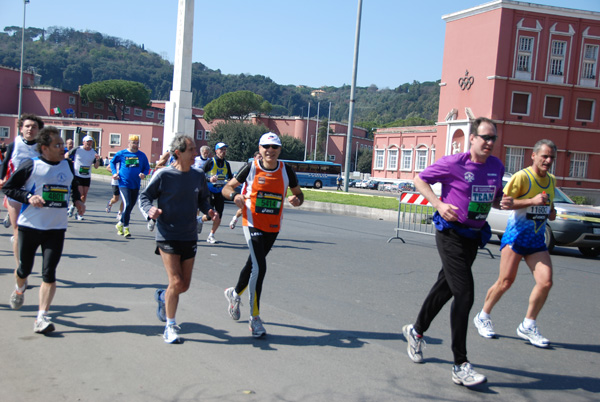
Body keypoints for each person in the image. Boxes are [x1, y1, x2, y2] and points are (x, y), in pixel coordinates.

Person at [402, 117, 512, 387]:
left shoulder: (497, 166)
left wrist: (503, 201)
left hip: (473, 236)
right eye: (484, 137)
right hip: (450, 233)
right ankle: (460, 364)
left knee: (446, 288)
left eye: (493, 138)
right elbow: (420, 179)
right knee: (464, 294)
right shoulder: (454, 163)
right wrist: (439, 204)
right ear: (471, 138)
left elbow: (494, 196)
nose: (489, 143)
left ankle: (415, 331)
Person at [473, 139, 557, 348]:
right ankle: (483, 316)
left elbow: (550, 209)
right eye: (544, 156)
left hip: (536, 240)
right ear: (534, 155)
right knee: (505, 281)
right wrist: (532, 201)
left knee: (546, 282)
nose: (548, 161)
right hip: (516, 237)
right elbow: (505, 203)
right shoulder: (522, 177)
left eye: (551, 158)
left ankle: (528, 325)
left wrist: (550, 210)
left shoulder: (552, 180)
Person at [3, 126, 85, 334]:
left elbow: (72, 183)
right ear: (44, 148)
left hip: (56, 228)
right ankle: (20, 288)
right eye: (57, 145)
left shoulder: (67, 165)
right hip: (30, 226)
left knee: (49, 273)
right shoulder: (32, 165)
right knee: (24, 269)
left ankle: (41, 318)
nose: (62, 148)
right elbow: (8, 187)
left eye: (62, 144)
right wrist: (28, 197)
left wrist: (77, 200)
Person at [221, 132, 304, 337]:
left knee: (252, 265)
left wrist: (297, 200)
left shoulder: (287, 171)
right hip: (252, 222)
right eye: (266, 146)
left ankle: (234, 293)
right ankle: (255, 318)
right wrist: (235, 195)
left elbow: (299, 193)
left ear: (279, 150)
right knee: (260, 267)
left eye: (274, 147)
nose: (270, 150)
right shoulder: (251, 168)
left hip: (273, 226)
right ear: (260, 149)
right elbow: (227, 187)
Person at [139, 134, 216, 343]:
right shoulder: (164, 175)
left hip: (189, 235)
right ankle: (170, 326)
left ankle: (163, 297)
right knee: (175, 281)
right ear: (178, 153)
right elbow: (144, 196)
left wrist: (209, 210)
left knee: (184, 286)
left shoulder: (198, 175)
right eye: (191, 150)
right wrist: (150, 211)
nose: (195, 153)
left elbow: (203, 200)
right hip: (167, 234)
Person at [0, 114, 44, 267]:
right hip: (16, 191)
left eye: (34, 127)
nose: (30, 129)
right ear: (21, 129)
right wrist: (1, 178)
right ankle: (21, 269)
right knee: (18, 230)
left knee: (32, 231)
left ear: (39, 131)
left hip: (35, 192)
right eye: (27, 126)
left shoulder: (42, 147)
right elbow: (5, 163)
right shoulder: (15, 144)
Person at [109, 135, 150, 238]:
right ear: (129, 143)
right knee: (127, 204)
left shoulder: (142, 155)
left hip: (135, 184)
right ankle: (126, 228)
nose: (135, 145)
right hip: (124, 183)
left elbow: (146, 168)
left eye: (137, 143)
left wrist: (144, 174)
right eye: (133, 143)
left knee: (130, 207)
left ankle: (120, 224)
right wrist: (114, 173)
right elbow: (112, 162)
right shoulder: (122, 153)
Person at [202, 142, 234, 244]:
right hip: (209, 191)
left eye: (225, 150)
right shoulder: (210, 162)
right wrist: (209, 178)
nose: (223, 152)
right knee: (209, 216)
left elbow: (230, 178)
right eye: (221, 150)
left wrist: (230, 182)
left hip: (220, 192)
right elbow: (200, 174)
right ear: (216, 151)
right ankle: (199, 220)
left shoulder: (226, 164)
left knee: (219, 215)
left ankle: (211, 235)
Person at [67, 135, 100, 220]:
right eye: (87, 142)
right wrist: (69, 163)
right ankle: (79, 212)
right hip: (77, 175)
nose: (89, 144)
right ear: (83, 142)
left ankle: (74, 208)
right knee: (80, 193)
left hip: (87, 176)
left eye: (91, 142)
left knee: (84, 195)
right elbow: (67, 154)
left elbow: (96, 167)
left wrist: (97, 160)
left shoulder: (93, 152)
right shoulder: (78, 149)